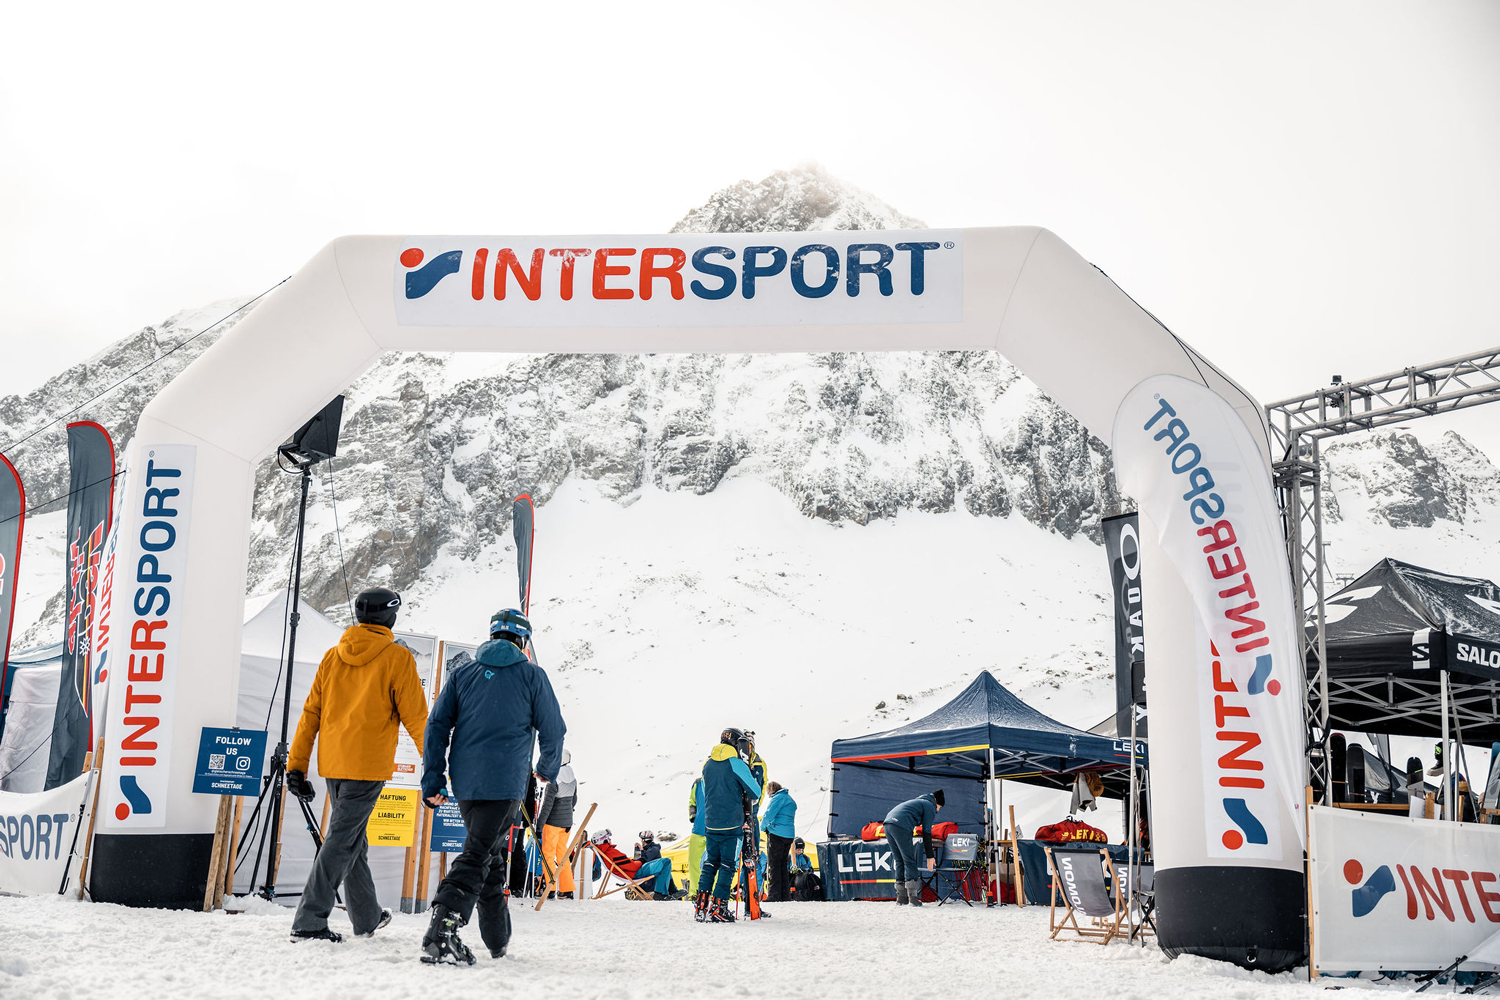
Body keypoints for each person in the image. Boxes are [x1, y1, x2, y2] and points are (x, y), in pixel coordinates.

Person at [419, 608, 566, 964]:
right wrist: (546, 769)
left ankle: (497, 941)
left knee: (490, 855)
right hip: (505, 783)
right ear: (523, 641)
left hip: (465, 783)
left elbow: (436, 726)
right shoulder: (532, 675)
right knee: (477, 853)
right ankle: (442, 931)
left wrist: (433, 778)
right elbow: (553, 729)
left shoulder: (463, 674)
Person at [286, 588, 429, 943]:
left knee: (352, 840)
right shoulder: (397, 658)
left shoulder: (333, 656)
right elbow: (417, 718)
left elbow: (310, 714)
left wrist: (297, 765)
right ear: (389, 617)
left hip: (333, 764)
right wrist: (437, 764)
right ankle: (309, 921)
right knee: (341, 842)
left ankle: (366, 917)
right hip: (367, 767)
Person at [693, 727, 762, 923]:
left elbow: (707, 790)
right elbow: (755, 791)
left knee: (710, 864)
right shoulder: (735, 763)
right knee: (727, 865)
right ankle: (719, 907)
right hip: (732, 824)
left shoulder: (707, 764)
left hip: (711, 823)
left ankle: (701, 906)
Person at [883, 790, 943, 907]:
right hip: (901, 825)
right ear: (936, 801)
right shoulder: (929, 805)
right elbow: (927, 832)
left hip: (887, 824)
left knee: (899, 860)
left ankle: (901, 898)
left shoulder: (917, 802)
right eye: (939, 807)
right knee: (909, 860)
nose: (938, 810)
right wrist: (930, 856)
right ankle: (913, 898)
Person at [535, 749, 578, 899]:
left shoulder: (553, 780)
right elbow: (574, 800)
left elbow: (547, 806)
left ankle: (550, 888)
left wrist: (539, 826)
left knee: (548, 855)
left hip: (552, 823)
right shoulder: (572, 778)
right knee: (562, 855)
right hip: (567, 823)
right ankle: (567, 889)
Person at [761, 781, 796, 902]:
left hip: (777, 834)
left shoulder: (778, 799)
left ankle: (774, 895)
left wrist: (762, 827)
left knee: (774, 865)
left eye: (768, 793)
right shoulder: (789, 798)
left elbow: (768, 815)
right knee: (783, 865)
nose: (768, 796)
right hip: (789, 835)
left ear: (771, 790)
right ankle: (784, 894)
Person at [687, 777, 707, 895]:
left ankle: (714, 893)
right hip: (698, 828)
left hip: (716, 829)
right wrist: (693, 816)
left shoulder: (722, 779)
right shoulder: (698, 783)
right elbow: (692, 802)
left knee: (716, 863)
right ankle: (695, 893)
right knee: (693, 861)